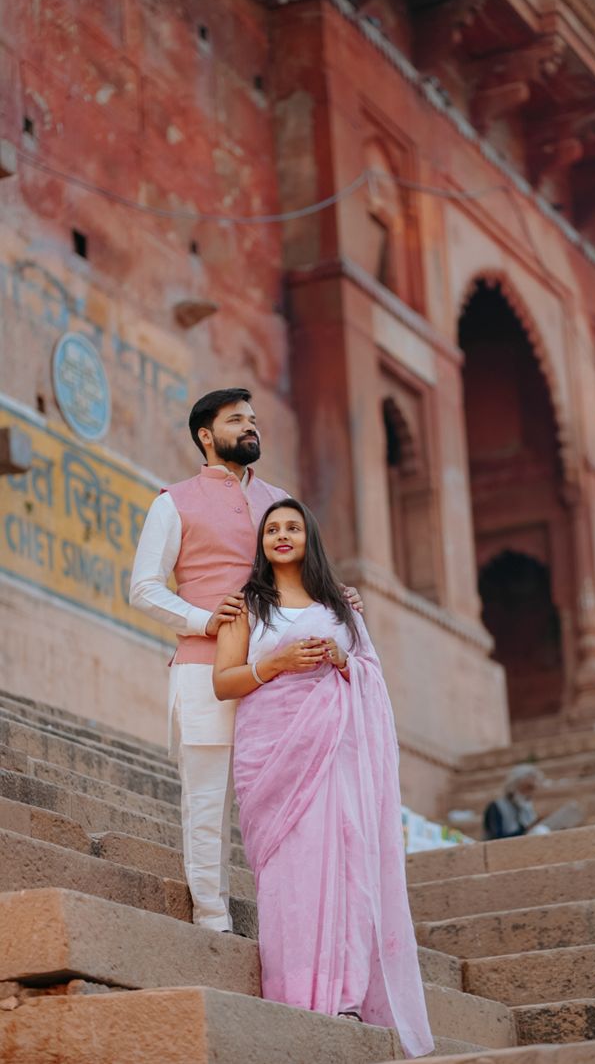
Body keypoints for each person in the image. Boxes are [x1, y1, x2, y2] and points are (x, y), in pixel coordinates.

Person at [129, 388, 360, 932]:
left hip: (282, 678)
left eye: (253, 420)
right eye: (237, 420)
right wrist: (204, 620)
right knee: (208, 801)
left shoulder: (279, 504)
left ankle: (292, 922)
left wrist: (335, 598)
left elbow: (300, 575)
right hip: (204, 670)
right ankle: (214, 921)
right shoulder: (174, 501)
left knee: (281, 799)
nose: (251, 428)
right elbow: (142, 588)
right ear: (206, 436)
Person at [213, 498, 434, 1059]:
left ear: (309, 537)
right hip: (272, 757)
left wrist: (341, 657)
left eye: (292, 527)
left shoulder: (341, 607)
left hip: (336, 754)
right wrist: (279, 663)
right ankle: (295, 992)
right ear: (261, 542)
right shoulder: (248, 606)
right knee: (290, 876)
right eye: (271, 529)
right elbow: (225, 682)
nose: (281, 536)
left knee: (346, 867)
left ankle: (347, 994)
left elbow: (370, 676)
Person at [483, 764, 547, 840]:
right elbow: (495, 837)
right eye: (528, 788)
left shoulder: (526, 807)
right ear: (515, 785)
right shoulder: (496, 807)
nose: (530, 793)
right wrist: (527, 829)